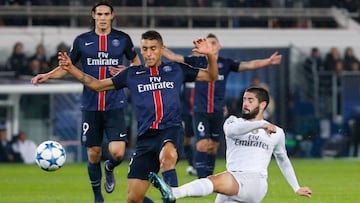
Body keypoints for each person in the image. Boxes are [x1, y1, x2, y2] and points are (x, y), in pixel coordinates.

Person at [57, 30, 218, 203]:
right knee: (134, 199)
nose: (149, 53)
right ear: (140, 50)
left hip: (170, 130)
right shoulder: (132, 74)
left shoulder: (176, 69)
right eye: (145, 48)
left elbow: (212, 76)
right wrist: (71, 69)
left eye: (153, 48)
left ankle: (171, 196)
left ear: (162, 49)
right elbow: (96, 85)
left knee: (167, 157)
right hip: (145, 139)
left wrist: (210, 55)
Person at [30, 1, 141, 203]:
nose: (103, 17)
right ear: (93, 16)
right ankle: (98, 197)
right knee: (93, 152)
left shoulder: (122, 39)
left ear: (112, 16)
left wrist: (127, 72)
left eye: (106, 14)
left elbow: (136, 64)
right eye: (99, 13)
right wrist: (46, 75)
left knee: (117, 153)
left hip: (115, 103)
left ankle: (109, 168)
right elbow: (67, 66)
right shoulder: (82, 41)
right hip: (90, 105)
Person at [149, 86, 312, 203]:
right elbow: (234, 131)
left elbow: (283, 160)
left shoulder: (277, 132)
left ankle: (174, 192)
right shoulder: (233, 121)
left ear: (262, 105)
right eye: (244, 99)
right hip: (234, 177)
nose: (245, 104)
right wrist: (260, 125)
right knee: (217, 181)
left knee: (214, 181)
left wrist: (296, 187)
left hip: (254, 181)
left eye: (250, 100)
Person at [162, 33, 282, 178]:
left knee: (213, 147)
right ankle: (202, 179)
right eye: (208, 43)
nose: (211, 45)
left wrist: (268, 61)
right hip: (200, 110)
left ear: (219, 46)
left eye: (213, 43)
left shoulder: (225, 64)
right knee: (202, 144)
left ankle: (208, 177)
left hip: (218, 111)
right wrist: (160, 50)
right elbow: (175, 57)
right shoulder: (197, 61)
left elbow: (249, 65)